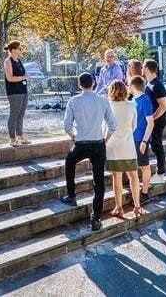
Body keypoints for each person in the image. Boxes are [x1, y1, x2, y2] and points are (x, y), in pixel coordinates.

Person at [61, 72, 116, 231]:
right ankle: (95, 218)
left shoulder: (73, 101)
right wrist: (105, 140)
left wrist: (74, 136)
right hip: (98, 144)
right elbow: (113, 125)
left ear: (79, 85)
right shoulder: (103, 100)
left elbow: (67, 126)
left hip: (81, 143)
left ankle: (71, 196)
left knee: (69, 162)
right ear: (93, 83)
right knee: (98, 182)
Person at [105, 81, 147, 218]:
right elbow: (134, 126)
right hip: (128, 145)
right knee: (134, 176)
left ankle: (119, 207)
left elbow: (104, 128)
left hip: (113, 146)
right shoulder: (131, 105)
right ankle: (137, 206)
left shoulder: (108, 106)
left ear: (111, 91)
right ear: (125, 90)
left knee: (116, 178)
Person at [128, 75, 155, 205]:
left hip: (140, 139)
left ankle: (144, 193)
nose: (128, 87)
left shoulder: (145, 100)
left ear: (133, 86)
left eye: (129, 85)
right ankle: (137, 188)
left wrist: (145, 141)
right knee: (136, 166)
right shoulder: (133, 99)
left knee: (144, 166)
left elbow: (150, 123)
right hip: (132, 138)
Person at [142, 59, 166, 185]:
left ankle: (160, 174)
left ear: (147, 68)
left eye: (143, 67)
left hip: (158, 121)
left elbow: (163, 106)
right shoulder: (150, 84)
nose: (141, 69)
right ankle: (159, 172)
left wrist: (152, 118)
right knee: (155, 145)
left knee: (157, 146)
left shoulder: (156, 85)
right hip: (154, 121)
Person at [3, 40, 30, 147]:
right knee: (14, 115)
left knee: (21, 114)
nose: (21, 50)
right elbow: (10, 78)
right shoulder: (8, 61)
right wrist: (23, 77)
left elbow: (21, 74)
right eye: (19, 48)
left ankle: (20, 137)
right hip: (14, 92)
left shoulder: (18, 60)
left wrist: (26, 76)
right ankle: (12, 139)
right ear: (13, 50)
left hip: (23, 90)